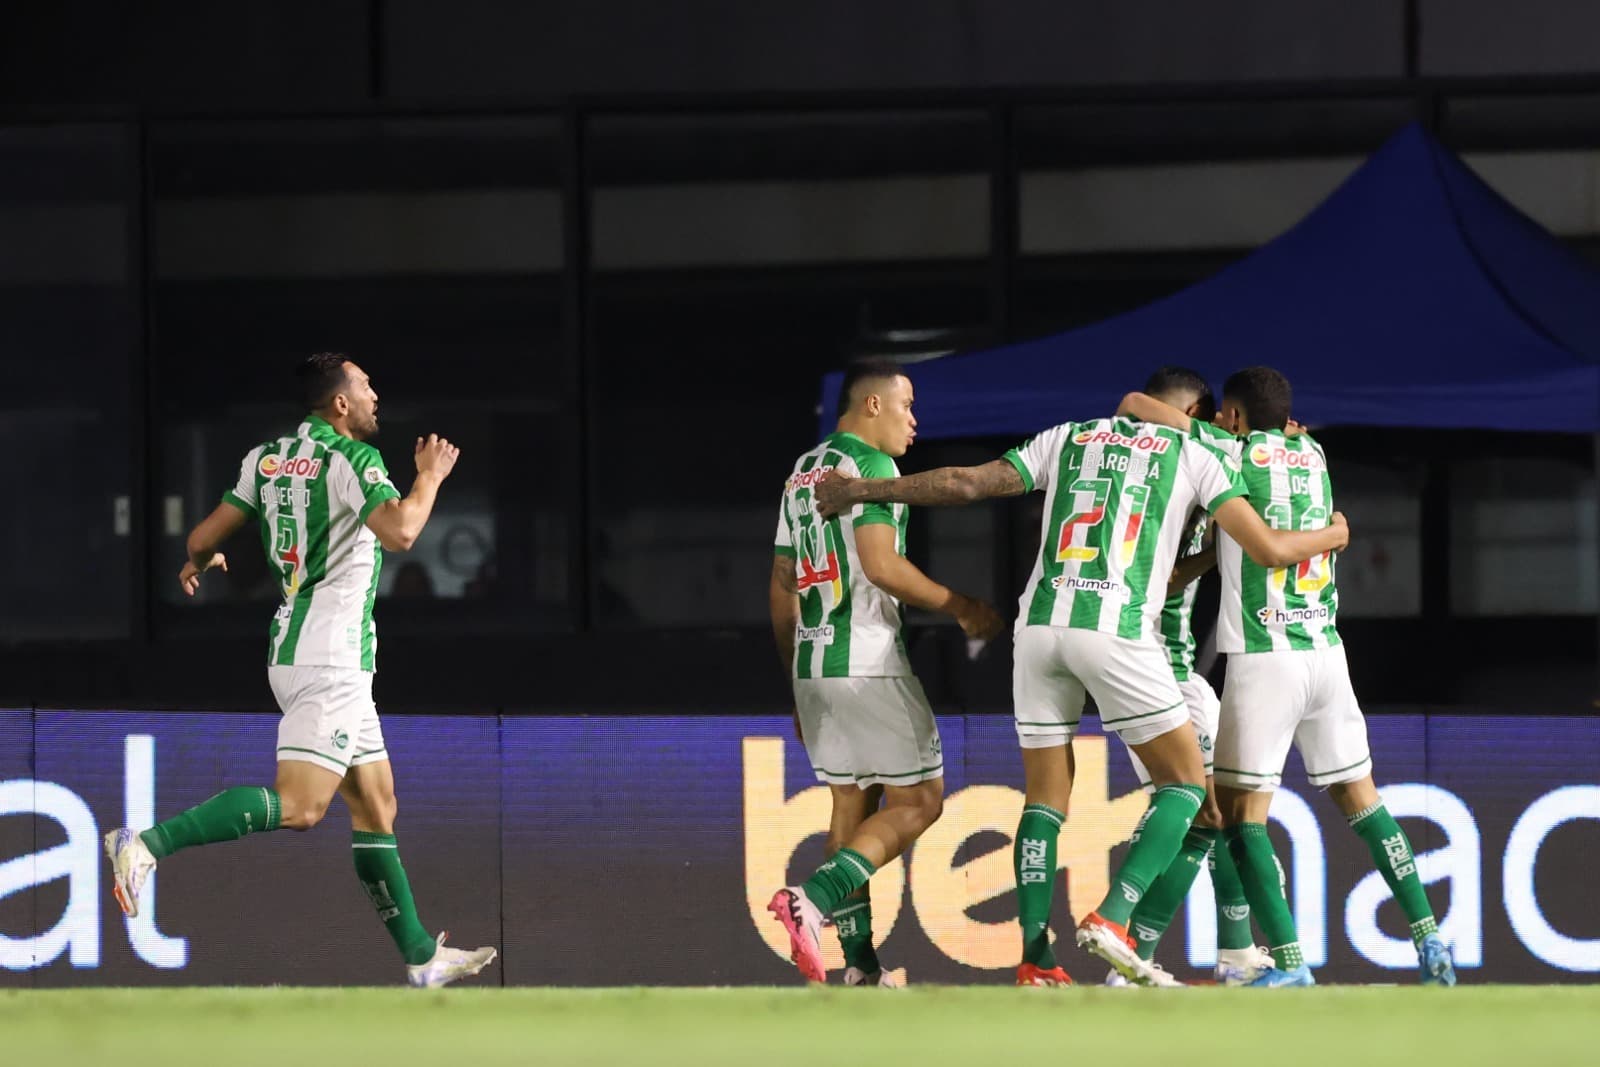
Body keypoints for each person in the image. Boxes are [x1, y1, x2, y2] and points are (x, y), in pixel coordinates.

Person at [814, 407, 1347, 986]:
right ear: (1196, 415)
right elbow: (1265, 545)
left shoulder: (1068, 436)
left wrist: (861, 490)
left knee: (1045, 799)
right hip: (1116, 628)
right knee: (1189, 788)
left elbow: (963, 482)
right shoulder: (1201, 454)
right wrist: (1333, 528)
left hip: (1039, 629)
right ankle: (1116, 921)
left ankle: (1035, 958)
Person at [103, 352, 497, 989]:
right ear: (339, 402)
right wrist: (429, 477)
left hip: (303, 650)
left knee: (377, 804)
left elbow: (202, 536)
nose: (375, 395)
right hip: (330, 658)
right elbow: (400, 533)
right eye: (366, 385)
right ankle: (145, 845)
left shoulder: (267, 457)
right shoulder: (354, 461)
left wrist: (198, 562)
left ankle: (422, 957)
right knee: (302, 807)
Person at [1118, 366, 1456, 987]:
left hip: (1266, 657)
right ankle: (1431, 939)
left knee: (1241, 817)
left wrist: (1208, 431)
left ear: (1238, 419)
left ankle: (1291, 966)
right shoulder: (1312, 450)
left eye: (1223, 415)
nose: (1215, 422)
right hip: (1327, 653)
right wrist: (1333, 532)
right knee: (1364, 799)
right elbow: (1248, 519)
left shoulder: (1228, 449)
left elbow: (1136, 404)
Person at [766, 359, 1004, 986]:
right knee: (921, 801)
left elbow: (782, 583)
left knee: (851, 804)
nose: (915, 421)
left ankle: (862, 968)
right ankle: (811, 901)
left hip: (815, 664)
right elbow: (881, 566)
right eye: (907, 405)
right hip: (867, 658)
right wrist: (962, 605)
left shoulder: (801, 471)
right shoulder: (871, 468)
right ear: (872, 406)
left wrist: (795, 676)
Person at [1106, 368, 1273, 988]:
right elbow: (1171, 577)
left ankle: (1218, 952)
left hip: (1165, 670)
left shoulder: (1170, 472)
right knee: (1209, 810)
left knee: (1213, 814)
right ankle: (1138, 946)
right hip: (1161, 672)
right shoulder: (1179, 464)